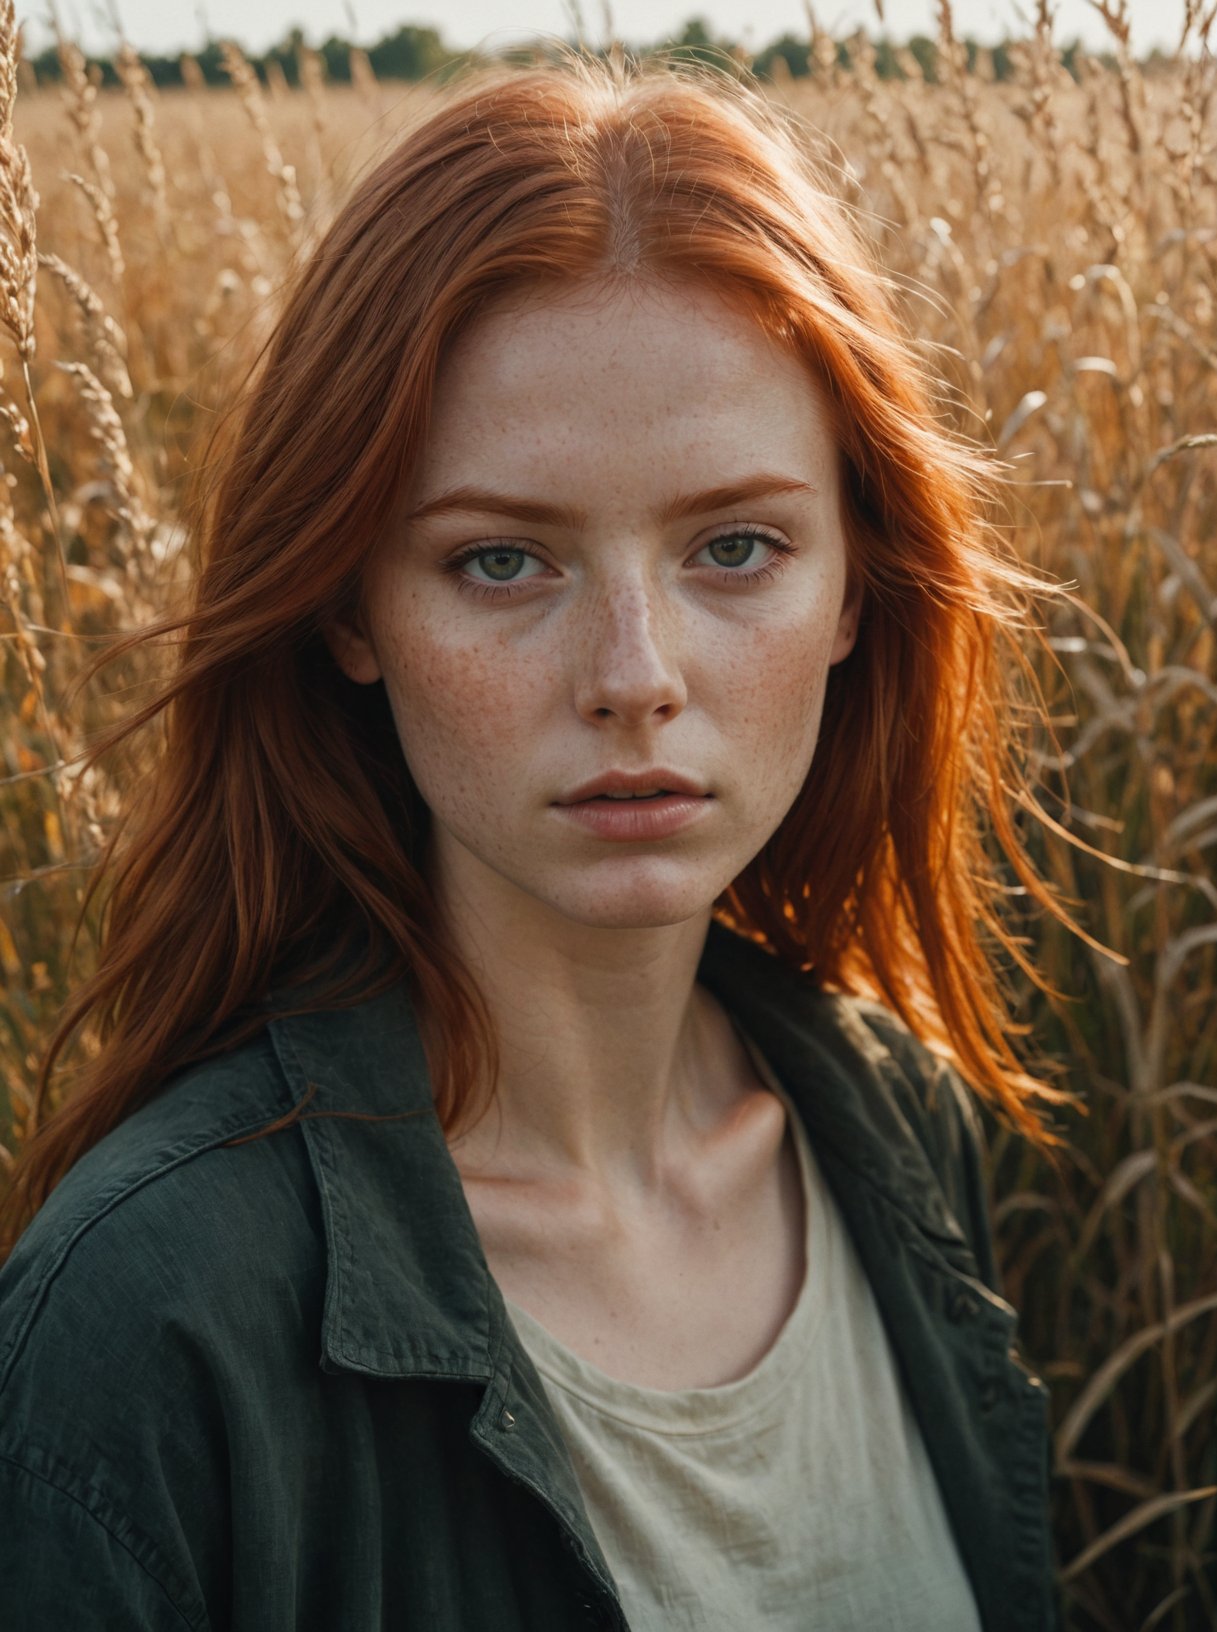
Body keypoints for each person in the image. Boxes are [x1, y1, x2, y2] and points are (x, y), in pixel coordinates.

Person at [0, 50, 1071, 1631]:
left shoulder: (895, 1125)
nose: (636, 675)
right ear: (353, 607)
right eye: (503, 561)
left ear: (856, 586)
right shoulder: (151, 1317)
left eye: (735, 548)